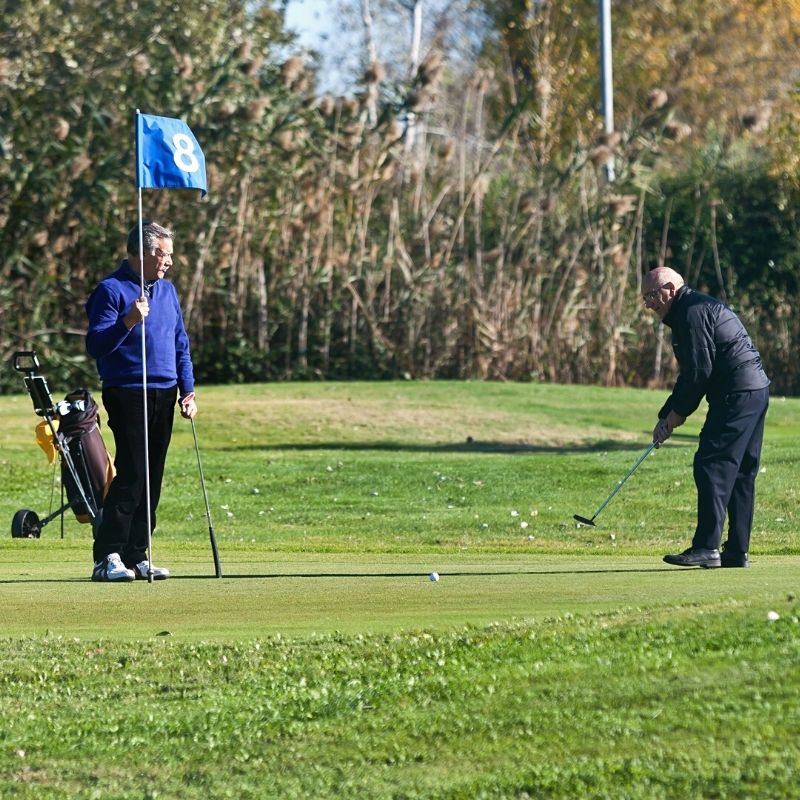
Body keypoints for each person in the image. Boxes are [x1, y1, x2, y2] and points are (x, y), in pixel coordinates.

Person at [85, 221, 197, 582]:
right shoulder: (111, 290)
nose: (169, 261)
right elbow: (96, 345)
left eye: (170, 255)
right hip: (128, 389)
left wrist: (188, 389)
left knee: (152, 476)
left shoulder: (167, 291)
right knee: (133, 473)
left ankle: (136, 554)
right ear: (143, 253)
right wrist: (129, 321)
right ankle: (108, 555)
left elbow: (180, 342)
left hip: (165, 390)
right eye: (163, 254)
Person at [642, 267, 769, 569]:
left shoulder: (690, 313)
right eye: (644, 298)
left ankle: (707, 547)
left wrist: (675, 415)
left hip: (736, 393)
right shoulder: (693, 307)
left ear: (670, 290)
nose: (648, 304)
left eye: (651, 296)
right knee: (740, 472)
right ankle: (736, 551)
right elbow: (693, 373)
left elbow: (699, 373)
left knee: (711, 464)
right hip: (755, 390)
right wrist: (668, 414)